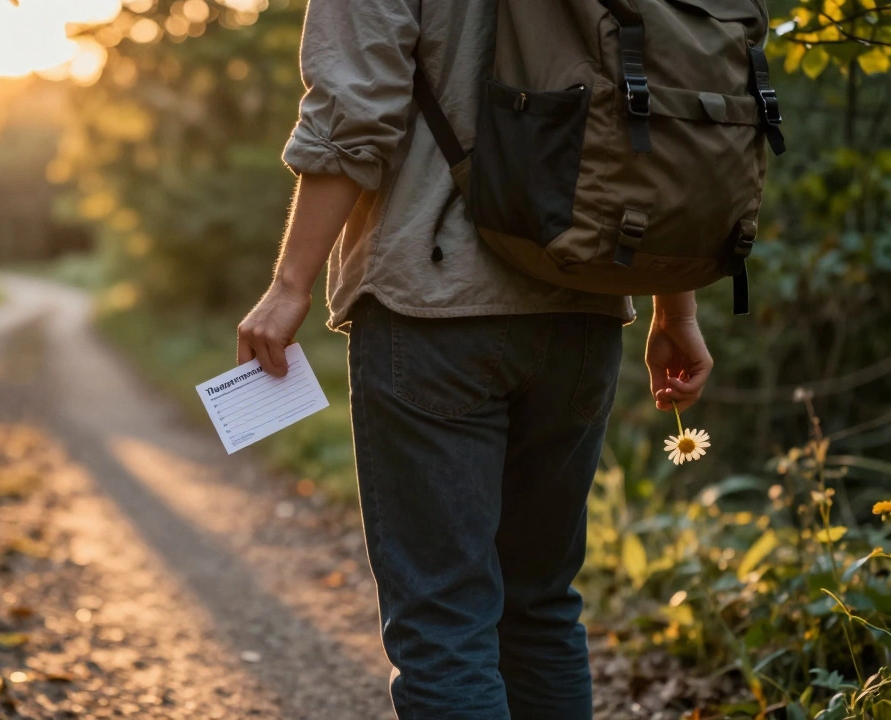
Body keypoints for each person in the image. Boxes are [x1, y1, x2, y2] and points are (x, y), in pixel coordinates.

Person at [234, 1, 714, 718]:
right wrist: (674, 308)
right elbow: (660, 124)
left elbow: (353, 113)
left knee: (444, 621)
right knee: (543, 607)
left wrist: (289, 284)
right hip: (580, 303)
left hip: (431, 307)